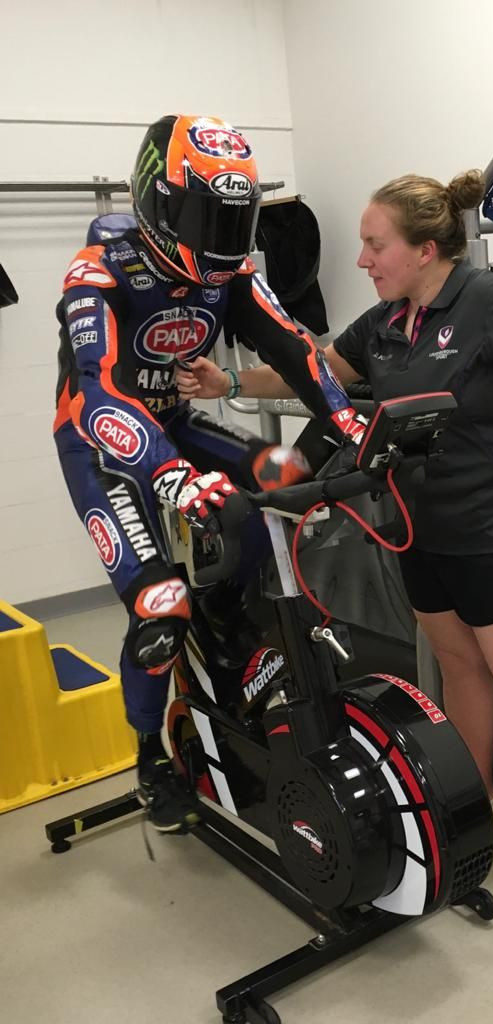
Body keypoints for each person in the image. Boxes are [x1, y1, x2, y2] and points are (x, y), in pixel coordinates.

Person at [176, 170, 493, 925]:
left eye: (376, 245)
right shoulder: (385, 322)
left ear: (425, 247)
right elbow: (313, 373)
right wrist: (226, 383)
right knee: (460, 672)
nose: (363, 260)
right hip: (424, 532)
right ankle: (481, 809)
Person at [53, 114, 365, 833]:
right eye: (207, 218)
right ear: (158, 202)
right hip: (100, 446)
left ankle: (226, 624)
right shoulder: (97, 271)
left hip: (176, 423)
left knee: (286, 475)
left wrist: (347, 419)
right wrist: (167, 477)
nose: (223, 239)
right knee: (160, 607)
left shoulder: (231, 274)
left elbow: (292, 344)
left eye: (236, 220)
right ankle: (149, 756)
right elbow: (98, 394)